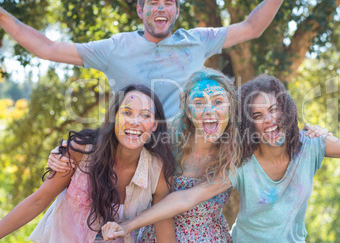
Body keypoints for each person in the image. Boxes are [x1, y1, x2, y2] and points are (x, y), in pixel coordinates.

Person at [100, 75, 340, 242]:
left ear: (288, 109)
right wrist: (127, 225)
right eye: (258, 115)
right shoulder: (243, 161)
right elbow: (186, 198)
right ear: (248, 122)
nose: (269, 121)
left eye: (274, 109)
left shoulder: (312, 146)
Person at [0, 0, 306, 119]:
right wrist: (2, 15)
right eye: (154, 2)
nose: (161, 8)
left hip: (184, 157)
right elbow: (48, 48)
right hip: (133, 150)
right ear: (140, 10)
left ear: (176, 11)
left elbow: (251, 28)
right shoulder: (116, 47)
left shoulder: (196, 40)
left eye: (169, 3)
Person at [49, 68, 243, 242]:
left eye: (218, 102)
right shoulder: (167, 139)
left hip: (209, 238)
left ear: (231, 106)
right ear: (188, 112)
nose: (209, 110)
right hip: (158, 235)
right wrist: (69, 149)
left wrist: (128, 226)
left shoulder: (236, 152)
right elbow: (121, 137)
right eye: (198, 103)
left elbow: (187, 199)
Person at [0, 84, 176, 242]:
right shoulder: (82, 151)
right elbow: (38, 200)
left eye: (145, 115)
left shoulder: (157, 169)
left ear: (154, 125)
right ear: (114, 117)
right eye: (127, 112)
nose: (135, 122)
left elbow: (163, 227)